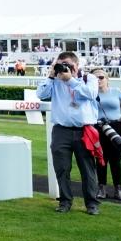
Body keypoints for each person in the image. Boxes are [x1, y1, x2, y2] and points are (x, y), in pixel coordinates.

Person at [35, 51, 101, 214]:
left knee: (87, 169)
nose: (63, 68)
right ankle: (65, 201)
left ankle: (92, 203)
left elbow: (90, 94)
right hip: (61, 130)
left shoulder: (88, 78)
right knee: (62, 168)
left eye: (67, 64)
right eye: (60, 64)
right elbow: (41, 94)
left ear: (76, 65)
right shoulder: (55, 80)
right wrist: (51, 75)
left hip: (84, 130)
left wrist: (70, 80)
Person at [92, 67, 121, 201]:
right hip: (98, 128)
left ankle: (118, 189)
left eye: (101, 77)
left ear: (107, 79)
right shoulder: (90, 94)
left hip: (117, 127)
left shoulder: (117, 92)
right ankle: (101, 189)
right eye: (95, 78)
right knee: (101, 159)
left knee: (116, 160)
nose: (98, 80)